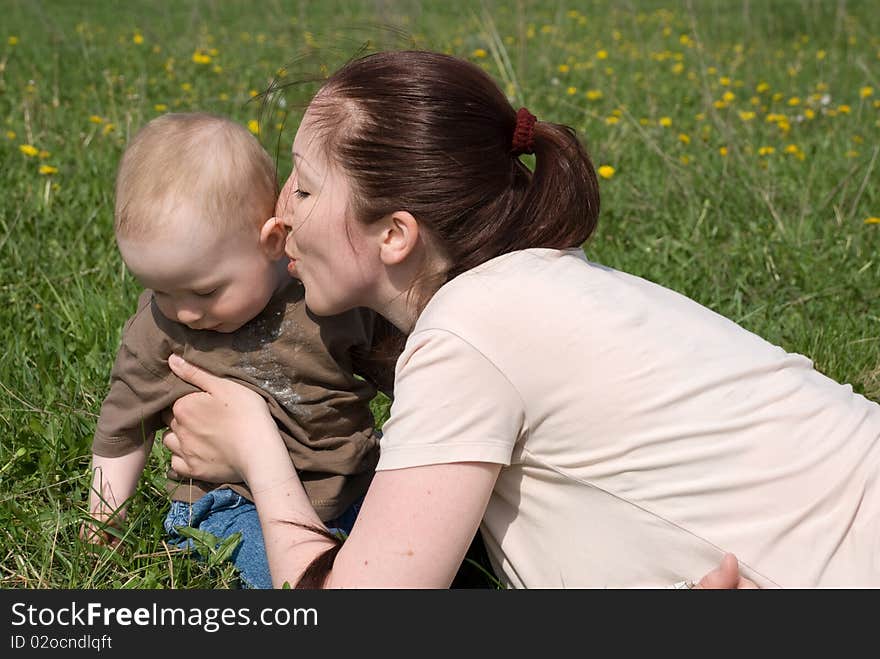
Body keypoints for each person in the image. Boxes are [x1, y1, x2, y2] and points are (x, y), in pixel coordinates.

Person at [160, 51, 880, 588]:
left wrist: (260, 447)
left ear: (395, 236)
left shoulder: (469, 329)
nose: (280, 212)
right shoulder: (534, 283)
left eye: (307, 188)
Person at [81, 112, 394, 589]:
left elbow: (399, 369)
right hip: (228, 502)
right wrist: (104, 521)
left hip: (352, 483)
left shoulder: (326, 295)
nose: (183, 313)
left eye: (204, 292)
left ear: (270, 241)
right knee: (277, 578)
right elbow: (124, 424)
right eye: (161, 292)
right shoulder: (160, 331)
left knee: (421, 556)